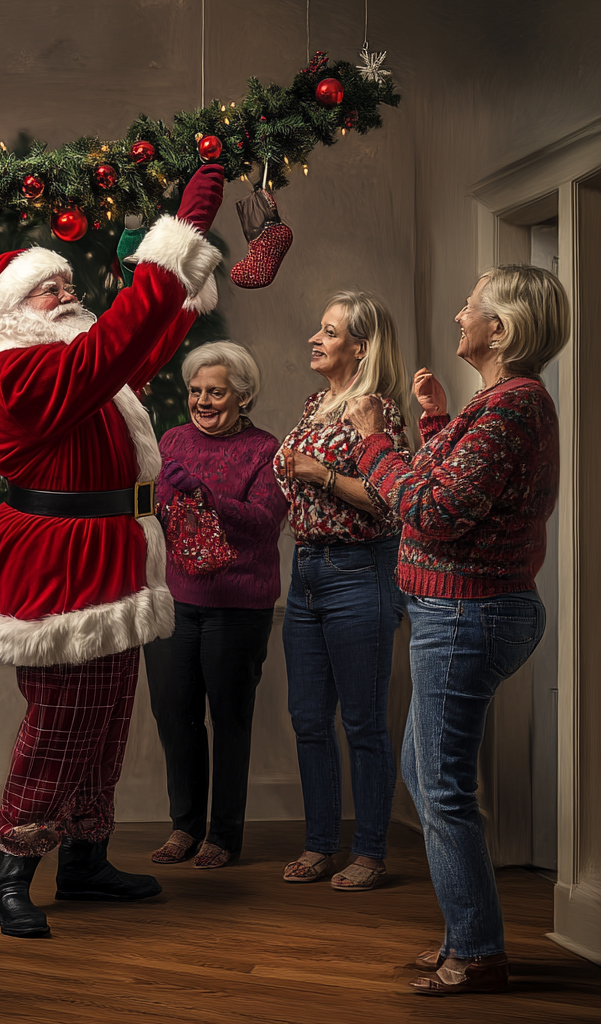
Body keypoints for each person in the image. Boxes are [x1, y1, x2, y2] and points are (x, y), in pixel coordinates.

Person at [0, 163, 225, 938]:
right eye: (47, 287)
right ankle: (14, 867)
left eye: (68, 280)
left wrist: (186, 259)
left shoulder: (77, 359)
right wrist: (173, 241)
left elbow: (140, 342)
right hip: (58, 561)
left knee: (106, 719)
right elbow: (116, 343)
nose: (66, 291)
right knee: (62, 721)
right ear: (9, 314)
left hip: (111, 553)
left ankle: (85, 859)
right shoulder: (17, 369)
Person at [347, 264, 570, 995]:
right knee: (424, 774)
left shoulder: (512, 406)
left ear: (498, 330)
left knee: (439, 788)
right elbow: (458, 488)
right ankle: (467, 934)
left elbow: (433, 511)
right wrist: (438, 420)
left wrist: (375, 443)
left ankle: (475, 952)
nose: (457, 317)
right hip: (459, 611)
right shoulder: (498, 404)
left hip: (467, 614)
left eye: (470, 309)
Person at [274, 291, 409, 891]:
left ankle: (371, 852)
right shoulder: (316, 406)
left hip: (360, 573)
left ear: (360, 346)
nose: (315, 338)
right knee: (307, 718)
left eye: (329, 332)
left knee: (362, 723)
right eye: (318, 327)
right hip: (306, 573)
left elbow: (390, 499)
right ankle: (320, 845)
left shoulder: (376, 411)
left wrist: (319, 473)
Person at [143, 342, 287, 869]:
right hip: (173, 601)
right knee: (174, 717)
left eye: (216, 391)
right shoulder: (172, 439)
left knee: (229, 720)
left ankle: (223, 835)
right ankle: (184, 827)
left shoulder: (265, 449)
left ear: (242, 396)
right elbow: (153, 504)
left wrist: (205, 494)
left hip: (237, 605)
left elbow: (264, 522)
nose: (202, 401)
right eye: (195, 391)